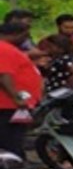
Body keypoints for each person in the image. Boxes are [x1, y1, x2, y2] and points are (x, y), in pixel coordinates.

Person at [0, 23, 42, 156]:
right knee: (9, 138)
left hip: (12, 103)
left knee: (14, 136)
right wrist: (16, 97)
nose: (26, 40)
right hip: (8, 103)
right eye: (25, 36)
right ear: (18, 34)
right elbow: (4, 74)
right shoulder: (3, 49)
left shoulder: (8, 48)